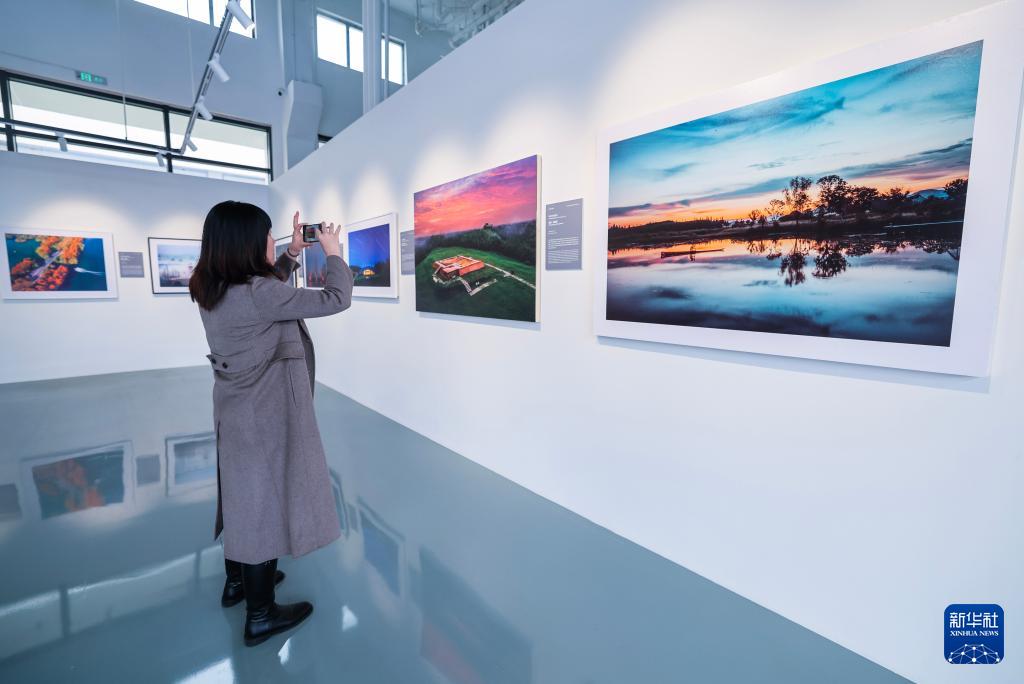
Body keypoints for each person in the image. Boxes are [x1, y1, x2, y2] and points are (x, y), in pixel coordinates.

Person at [189, 201, 353, 647]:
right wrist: (333, 253)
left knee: (242, 494)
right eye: (268, 235)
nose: (272, 240)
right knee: (261, 504)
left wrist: (293, 253)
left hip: (234, 409)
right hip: (265, 411)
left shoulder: (210, 286)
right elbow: (337, 299)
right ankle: (260, 615)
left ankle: (237, 583)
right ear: (247, 242)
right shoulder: (261, 294)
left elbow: (264, 293)